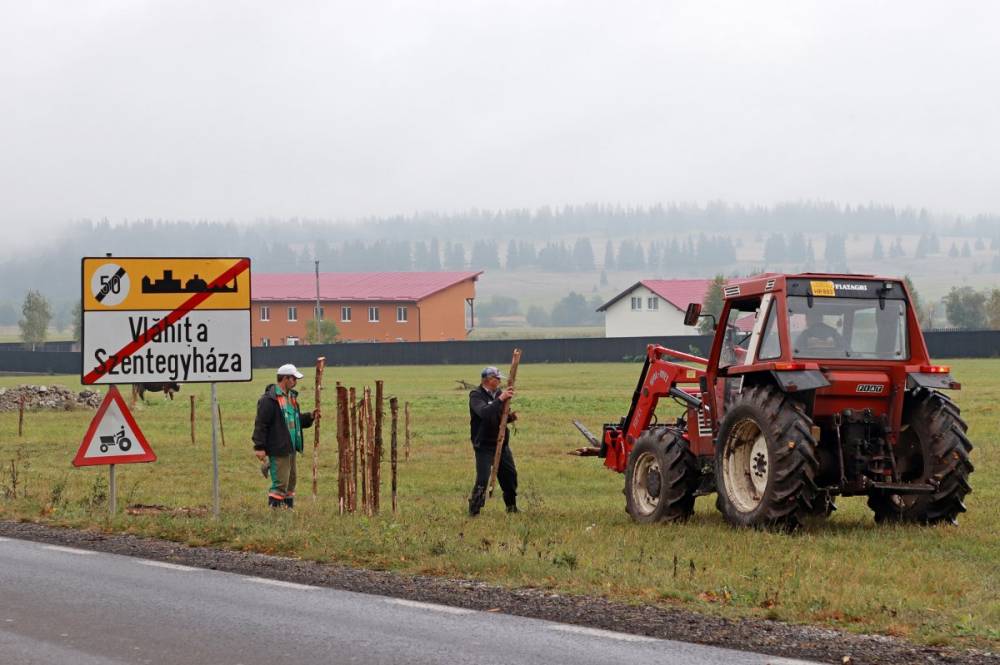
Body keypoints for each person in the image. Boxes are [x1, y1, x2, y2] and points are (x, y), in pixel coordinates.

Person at [252, 363, 320, 508]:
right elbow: (261, 424)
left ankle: (287, 511)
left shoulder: (291, 399)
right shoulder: (268, 400)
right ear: (285, 379)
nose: (295, 382)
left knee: (291, 481)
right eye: (293, 379)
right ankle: (275, 514)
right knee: (281, 482)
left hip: (291, 446)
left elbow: (294, 421)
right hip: (278, 447)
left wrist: (310, 417)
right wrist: (259, 447)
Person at [468, 366, 518, 516]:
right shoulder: (476, 395)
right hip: (483, 445)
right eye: (497, 379)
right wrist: (500, 399)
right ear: (488, 380)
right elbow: (484, 413)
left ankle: (511, 507)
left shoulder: (499, 394)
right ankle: (474, 510)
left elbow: (498, 417)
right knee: (483, 478)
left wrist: (509, 418)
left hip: (501, 443)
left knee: (510, 476)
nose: (499, 381)